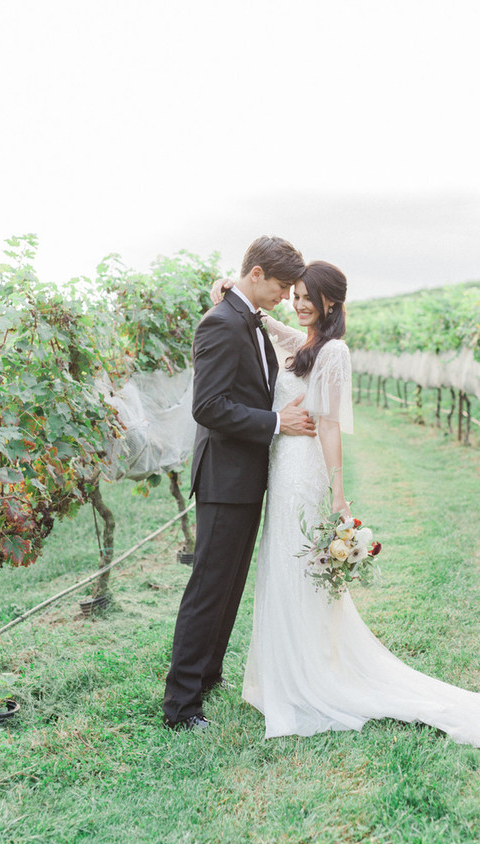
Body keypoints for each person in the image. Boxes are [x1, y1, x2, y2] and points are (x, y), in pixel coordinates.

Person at [212, 261, 480, 751]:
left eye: (308, 297)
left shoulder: (334, 351)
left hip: (303, 474)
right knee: (280, 566)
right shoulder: (307, 343)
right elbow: (278, 329)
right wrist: (237, 293)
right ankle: (285, 671)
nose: (299, 303)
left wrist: (338, 493)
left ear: (331, 302)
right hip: (281, 471)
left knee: (298, 569)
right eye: (295, 295)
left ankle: (309, 677)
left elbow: (329, 425)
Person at [163, 236, 317, 731]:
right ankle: (181, 706)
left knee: (229, 585)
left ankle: (208, 675)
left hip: (247, 477)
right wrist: (276, 423)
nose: (284, 296)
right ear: (256, 274)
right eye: (280, 286)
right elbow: (207, 407)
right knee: (209, 587)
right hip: (224, 478)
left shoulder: (246, 317)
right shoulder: (221, 322)